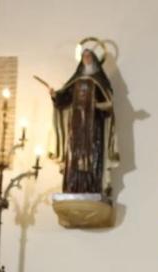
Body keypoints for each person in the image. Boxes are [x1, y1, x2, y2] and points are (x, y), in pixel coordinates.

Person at [50, 47, 118, 196]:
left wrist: (98, 105)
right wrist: (56, 96)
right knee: (74, 155)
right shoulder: (75, 81)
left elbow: (108, 104)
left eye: (89, 56)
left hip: (93, 125)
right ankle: (73, 188)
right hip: (75, 126)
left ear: (94, 59)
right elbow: (64, 100)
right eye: (84, 56)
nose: (86, 58)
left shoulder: (100, 81)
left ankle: (92, 188)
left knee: (93, 154)